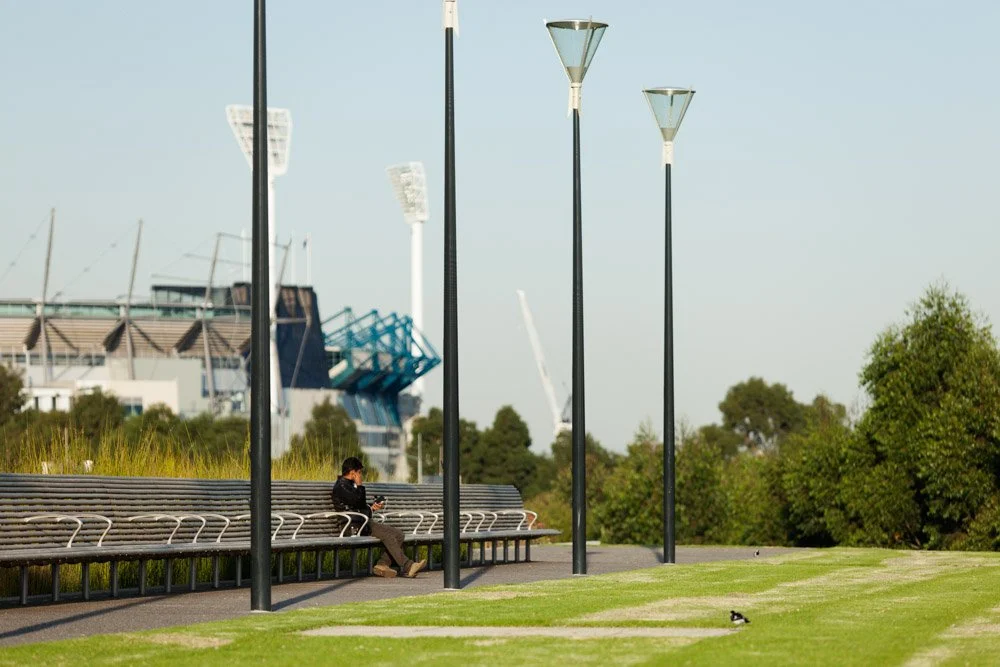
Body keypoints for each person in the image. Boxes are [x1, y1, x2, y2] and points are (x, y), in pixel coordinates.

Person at [331, 456, 427, 578]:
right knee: (388, 536)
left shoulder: (349, 485)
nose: (361, 475)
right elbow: (357, 502)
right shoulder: (341, 486)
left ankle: (382, 564)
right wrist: (360, 486)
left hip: (363, 523)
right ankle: (409, 566)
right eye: (359, 472)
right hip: (352, 526)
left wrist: (372, 508)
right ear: (352, 472)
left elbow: (357, 505)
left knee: (398, 534)